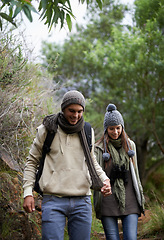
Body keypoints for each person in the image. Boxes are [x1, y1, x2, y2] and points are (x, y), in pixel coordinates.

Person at [23, 90, 112, 240]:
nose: (75, 116)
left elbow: (91, 161)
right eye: (71, 110)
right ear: (63, 108)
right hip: (52, 200)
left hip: (82, 201)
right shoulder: (47, 130)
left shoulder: (86, 130)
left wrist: (105, 179)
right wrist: (28, 192)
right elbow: (32, 162)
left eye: (79, 111)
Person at [94, 103, 145, 240]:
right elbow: (95, 176)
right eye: (111, 128)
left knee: (131, 237)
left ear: (122, 128)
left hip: (130, 200)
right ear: (106, 129)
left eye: (118, 128)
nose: (115, 132)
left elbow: (136, 175)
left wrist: (140, 195)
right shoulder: (98, 149)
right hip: (107, 201)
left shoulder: (130, 146)